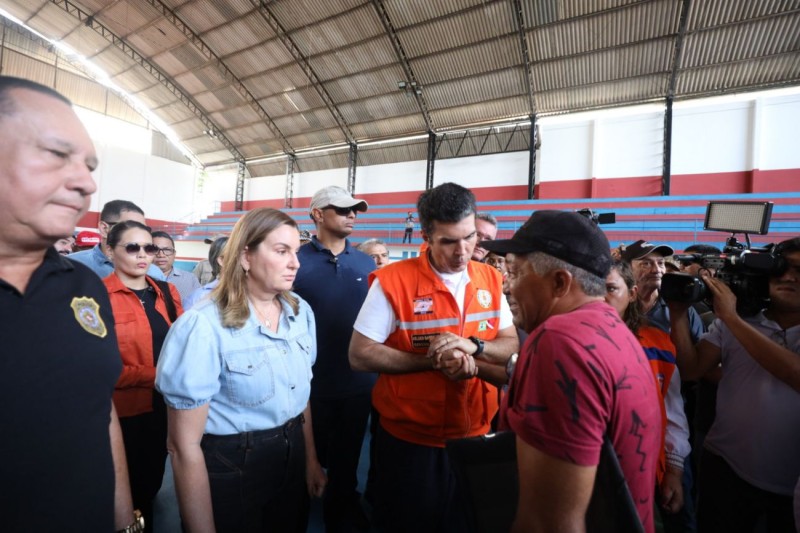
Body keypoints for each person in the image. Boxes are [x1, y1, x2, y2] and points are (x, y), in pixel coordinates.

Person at [0, 75, 137, 531]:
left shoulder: (83, 284)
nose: (85, 184)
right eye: (57, 155)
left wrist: (125, 522)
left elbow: (99, 409)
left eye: (90, 166)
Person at [349, 182, 518, 532]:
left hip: (478, 436)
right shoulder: (392, 282)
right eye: (449, 241)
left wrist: (474, 346)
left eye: (470, 238)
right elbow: (360, 355)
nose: (463, 251)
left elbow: (511, 343)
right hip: (412, 445)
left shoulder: (490, 278)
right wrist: (433, 361)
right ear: (426, 235)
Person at [483, 211, 661, 533]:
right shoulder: (613, 328)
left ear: (559, 282)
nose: (507, 286)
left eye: (515, 272)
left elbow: (549, 522)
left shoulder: (558, 342)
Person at [156, 208, 326, 533]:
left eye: (296, 251)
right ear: (246, 256)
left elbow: (300, 394)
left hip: (293, 451)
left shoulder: (299, 311)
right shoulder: (202, 326)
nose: (296, 263)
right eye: (281, 251)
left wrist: (311, 460)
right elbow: (183, 445)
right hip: (232, 463)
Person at [670, 237, 800, 532]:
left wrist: (729, 316)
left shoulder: (732, 319)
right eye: (782, 267)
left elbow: (795, 374)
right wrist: (678, 314)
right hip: (725, 466)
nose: (789, 276)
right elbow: (691, 369)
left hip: (791, 480)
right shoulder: (739, 319)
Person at [294, 185, 376, 532]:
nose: (351, 215)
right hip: (308, 386)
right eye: (343, 210)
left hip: (357, 383)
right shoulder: (295, 260)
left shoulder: (365, 262)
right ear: (317, 214)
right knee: (305, 458)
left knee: (347, 458)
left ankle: (341, 508)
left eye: (354, 210)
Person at [105, 221, 183, 532]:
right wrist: (160, 375)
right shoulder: (98, 296)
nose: (143, 255)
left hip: (168, 408)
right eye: (132, 247)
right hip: (125, 415)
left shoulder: (165, 290)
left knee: (154, 484)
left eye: (149, 247)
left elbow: (179, 342)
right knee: (129, 489)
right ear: (110, 250)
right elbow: (103, 370)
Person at [623, 239, 698, 532]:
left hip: (672, 415)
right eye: (646, 262)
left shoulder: (683, 310)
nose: (656, 269)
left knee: (679, 515)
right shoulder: (613, 316)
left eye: (661, 263)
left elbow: (691, 365)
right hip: (630, 438)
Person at [604, 260, 686, 519]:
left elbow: (672, 413)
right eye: (592, 289)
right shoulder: (568, 343)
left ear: (632, 293)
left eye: (610, 289)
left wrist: (674, 470)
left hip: (643, 472)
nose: (599, 299)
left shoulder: (659, 344)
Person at [69, 199, 165, 281]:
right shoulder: (70, 266)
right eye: (130, 226)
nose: (138, 233)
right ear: (104, 228)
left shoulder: (154, 274)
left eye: (143, 228)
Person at [151, 230, 200, 302]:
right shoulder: (138, 280)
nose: (161, 255)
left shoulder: (190, 279)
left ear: (174, 254)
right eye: (155, 250)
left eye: (167, 250)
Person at [183, 236, 228, 311]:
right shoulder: (202, 264)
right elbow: (193, 282)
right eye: (211, 244)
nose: (212, 247)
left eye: (216, 244)